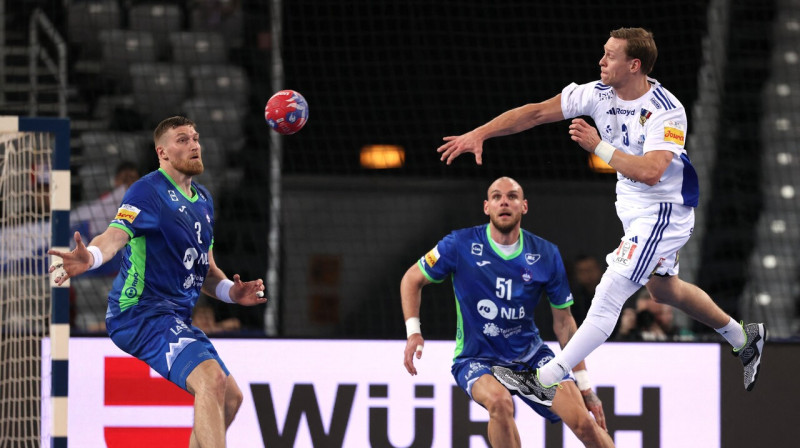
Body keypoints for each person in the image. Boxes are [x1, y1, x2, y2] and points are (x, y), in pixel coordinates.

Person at [436, 27, 766, 404]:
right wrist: (481, 133)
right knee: (662, 288)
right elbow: (536, 113)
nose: (601, 61)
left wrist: (598, 146)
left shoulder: (667, 110)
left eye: (610, 55)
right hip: (631, 203)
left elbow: (652, 171)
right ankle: (745, 338)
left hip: (663, 210)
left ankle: (544, 377)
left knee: (610, 295)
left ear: (634, 65)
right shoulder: (597, 93)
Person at [49, 116, 266, 447]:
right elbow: (114, 236)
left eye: (195, 138)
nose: (194, 144)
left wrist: (232, 293)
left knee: (230, 400)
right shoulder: (148, 191)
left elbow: (205, 271)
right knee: (211, 380)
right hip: (139, 313)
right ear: (162, 152)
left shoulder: (204, 200)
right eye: (182, 139)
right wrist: (91, 256)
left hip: (174, 317)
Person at [401, 177, 614, 447]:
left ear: (524, 206)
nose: (504, 201)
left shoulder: (546, 254)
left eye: (512, 196)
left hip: (530, 361)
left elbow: (564, 324)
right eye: (496, 196)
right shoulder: (459, 244)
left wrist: (585, 387)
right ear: (486, 206)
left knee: (584, 424)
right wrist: (413, 332)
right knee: (500, 403)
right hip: (477, 359)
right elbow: (411, 279)